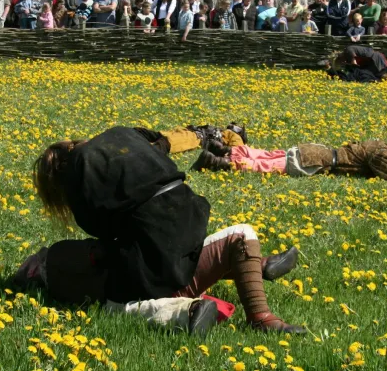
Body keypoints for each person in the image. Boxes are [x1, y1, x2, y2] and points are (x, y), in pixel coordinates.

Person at [30, 128, 303, 332]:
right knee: (242, 233)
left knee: (112, 305)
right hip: (188, 216)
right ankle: (262, 315)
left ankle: (186, 311)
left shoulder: (79, 168)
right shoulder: (120, 134)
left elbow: (95, 226)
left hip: (151, 259)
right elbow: (157, 143)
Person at [191, 139, 387, 184]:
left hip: (314, 150)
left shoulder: (380, 145)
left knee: (267, 155)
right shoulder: (383, 155)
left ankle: (224, 149)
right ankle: (217, 162)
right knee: (266, 166)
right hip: (316, 160)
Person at [134, 122, 247, 155]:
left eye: (237, 128)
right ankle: (130, 135)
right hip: (189, 132)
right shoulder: (223, 132)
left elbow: (238, 150)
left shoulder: (235, 136)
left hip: (196, 137)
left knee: (167, 142)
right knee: (156, 135)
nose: (232, 126)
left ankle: (140, 154)